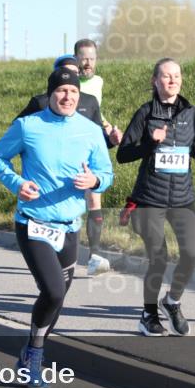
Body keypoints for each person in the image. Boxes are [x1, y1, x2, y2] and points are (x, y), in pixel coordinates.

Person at [0, 68, 113, 388]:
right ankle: (35, 354)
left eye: (73, 92)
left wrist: (95, 180)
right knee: (54, 290)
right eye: (61, 91)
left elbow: (106, 173)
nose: (68, 96)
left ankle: (29, 351)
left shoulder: (89, 131)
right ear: (50, 95)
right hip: (33, 223)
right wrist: (17, 183)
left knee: (56, 299)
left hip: (70, 227)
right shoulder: (27, 126)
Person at [117, 58, 195, 336]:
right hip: (150, 198)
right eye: (167, 76)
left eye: (177, 76)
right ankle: (148, 315)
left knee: (191, 255)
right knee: (159, 257)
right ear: (155, 81)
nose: (173, 81)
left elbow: (190, 143)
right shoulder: (145, 114)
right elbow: (123, 155)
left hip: (182, 196)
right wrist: (150, 143)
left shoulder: (190, 112)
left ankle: (172, 301)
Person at [74, 39, 122, 276]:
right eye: (84, 58)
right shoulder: (68, 81)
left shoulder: (98, 82)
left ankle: (93, 255)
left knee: (94, 200)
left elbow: (95, 112)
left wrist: (109, 130)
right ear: (75, 59)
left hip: (91, 143)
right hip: (70, 145)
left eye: (92, 58)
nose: (88, 63)